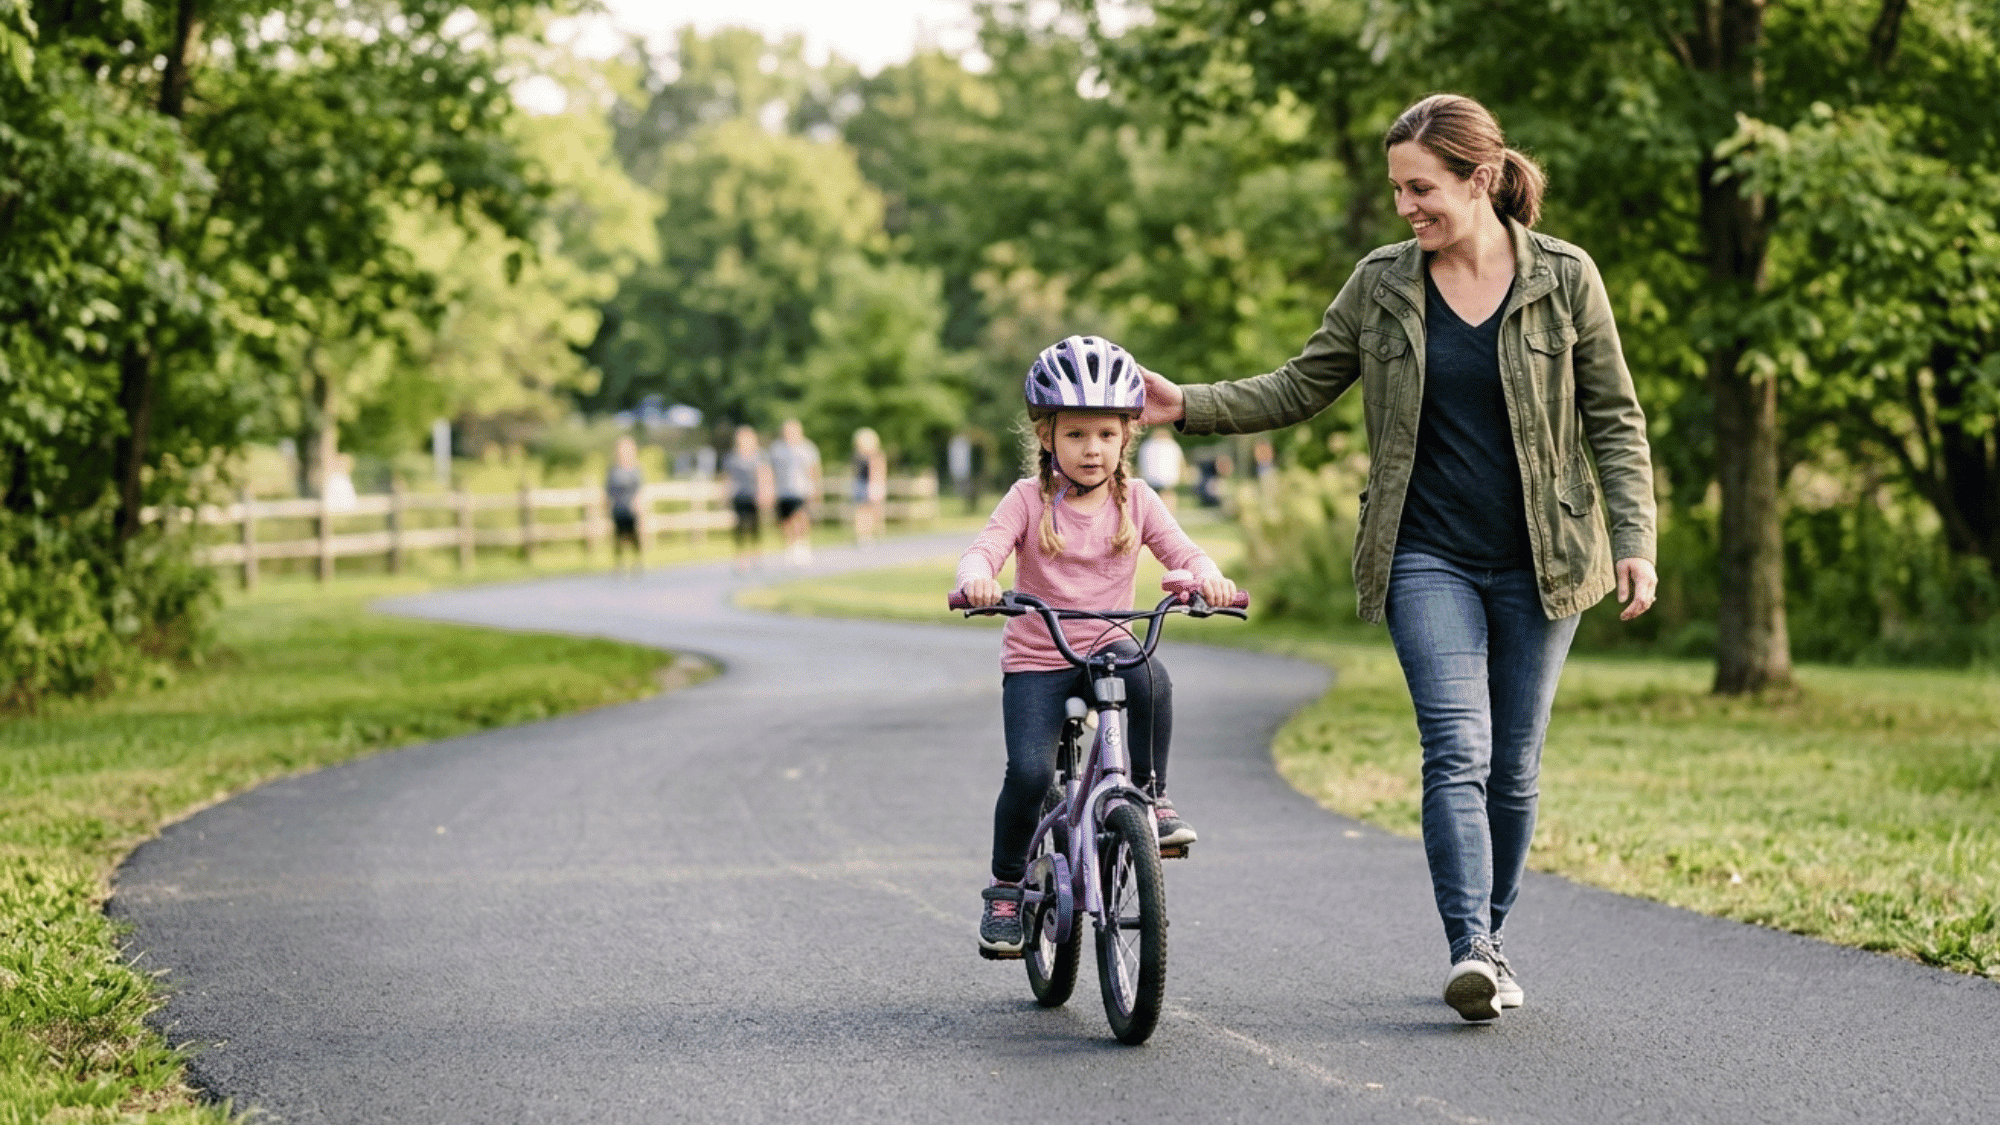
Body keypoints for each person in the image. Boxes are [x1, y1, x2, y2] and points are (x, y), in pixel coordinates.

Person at [1138, 94, 1659, 1022]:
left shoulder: (1567, 277)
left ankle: (1491, 937)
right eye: (1396, 190)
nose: (1406, 207)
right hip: (1426, 553)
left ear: (1481, 178)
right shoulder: (1382, 283)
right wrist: (1189, 405)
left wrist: (1636, 536)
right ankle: (1470, 946)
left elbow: (1614, 417)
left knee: (1515, 764)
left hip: (1548, 560)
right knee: (1455, 747)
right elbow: (1302, 383)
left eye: (1422, 188)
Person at [954, 335, 1238, 957]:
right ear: (1048, 437)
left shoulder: (1136, 499)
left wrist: (1207, 576)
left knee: (1153, 678)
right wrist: (977, 579)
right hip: (1040, 657)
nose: (1093, 449)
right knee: (1029, 773)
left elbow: (1184, 551)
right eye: (1077, 435)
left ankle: (1150, 797)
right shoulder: (1027, 500)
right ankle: (1006, 887)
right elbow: (985, 549)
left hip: (1109, 647)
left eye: (1107, 435)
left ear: (1126, 439)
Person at [768, 419, 822, 565]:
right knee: (785, 521)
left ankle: (802, 545)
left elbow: (813, 469)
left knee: (801, 517)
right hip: (782, 490)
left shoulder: (807, 448)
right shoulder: (776, 449)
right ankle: (790, 546)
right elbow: (770, 471)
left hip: (802, 489)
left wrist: (815, 488)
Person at [722, 425, 772, 572]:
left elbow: (764, 474)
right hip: (738, 495)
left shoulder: (759, 455)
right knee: (739, 527)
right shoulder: (732, 457)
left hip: (754, 495)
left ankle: (757, 556)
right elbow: (727, 477)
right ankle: (741, 558)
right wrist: (725, 494)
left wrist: (765, 493)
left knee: (755, 526)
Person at [605, 436, 645, 572]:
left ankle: (637, 562)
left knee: (634, 535)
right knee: (618, 536)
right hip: (618, 507)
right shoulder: (613, 470)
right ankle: (619, 564)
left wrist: (638, 503)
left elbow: (639, 488)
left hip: (631, 508)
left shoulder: (635, 469)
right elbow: (608, 489)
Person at [849, 427, 888, 544]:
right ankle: (863, 536)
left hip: (873, 485)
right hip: (860, 484)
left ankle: (874, 534)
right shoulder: (858, 455)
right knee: (862, 511)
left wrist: (877, 485)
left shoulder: (877, 454)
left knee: (873, 511)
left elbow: (879, 471)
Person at [1137, 427, 1185, 513]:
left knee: (1160, 497)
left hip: (1154, 478)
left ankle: (1163, 515)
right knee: (1166, 496)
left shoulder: (1147, 445)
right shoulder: (1171, 445)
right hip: (1165, 478)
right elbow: (1179, 461)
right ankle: (1168, 515)